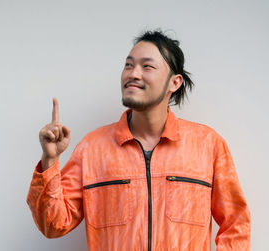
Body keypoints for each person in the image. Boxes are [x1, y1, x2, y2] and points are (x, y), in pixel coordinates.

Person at [26, 30, 251, 250]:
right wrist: (50, 159)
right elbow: (52, 225)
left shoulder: (207, 145)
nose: (133, 73)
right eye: (129, 65)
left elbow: (236, 224)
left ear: (175, 82)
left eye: (147, 66)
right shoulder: (93, 148)